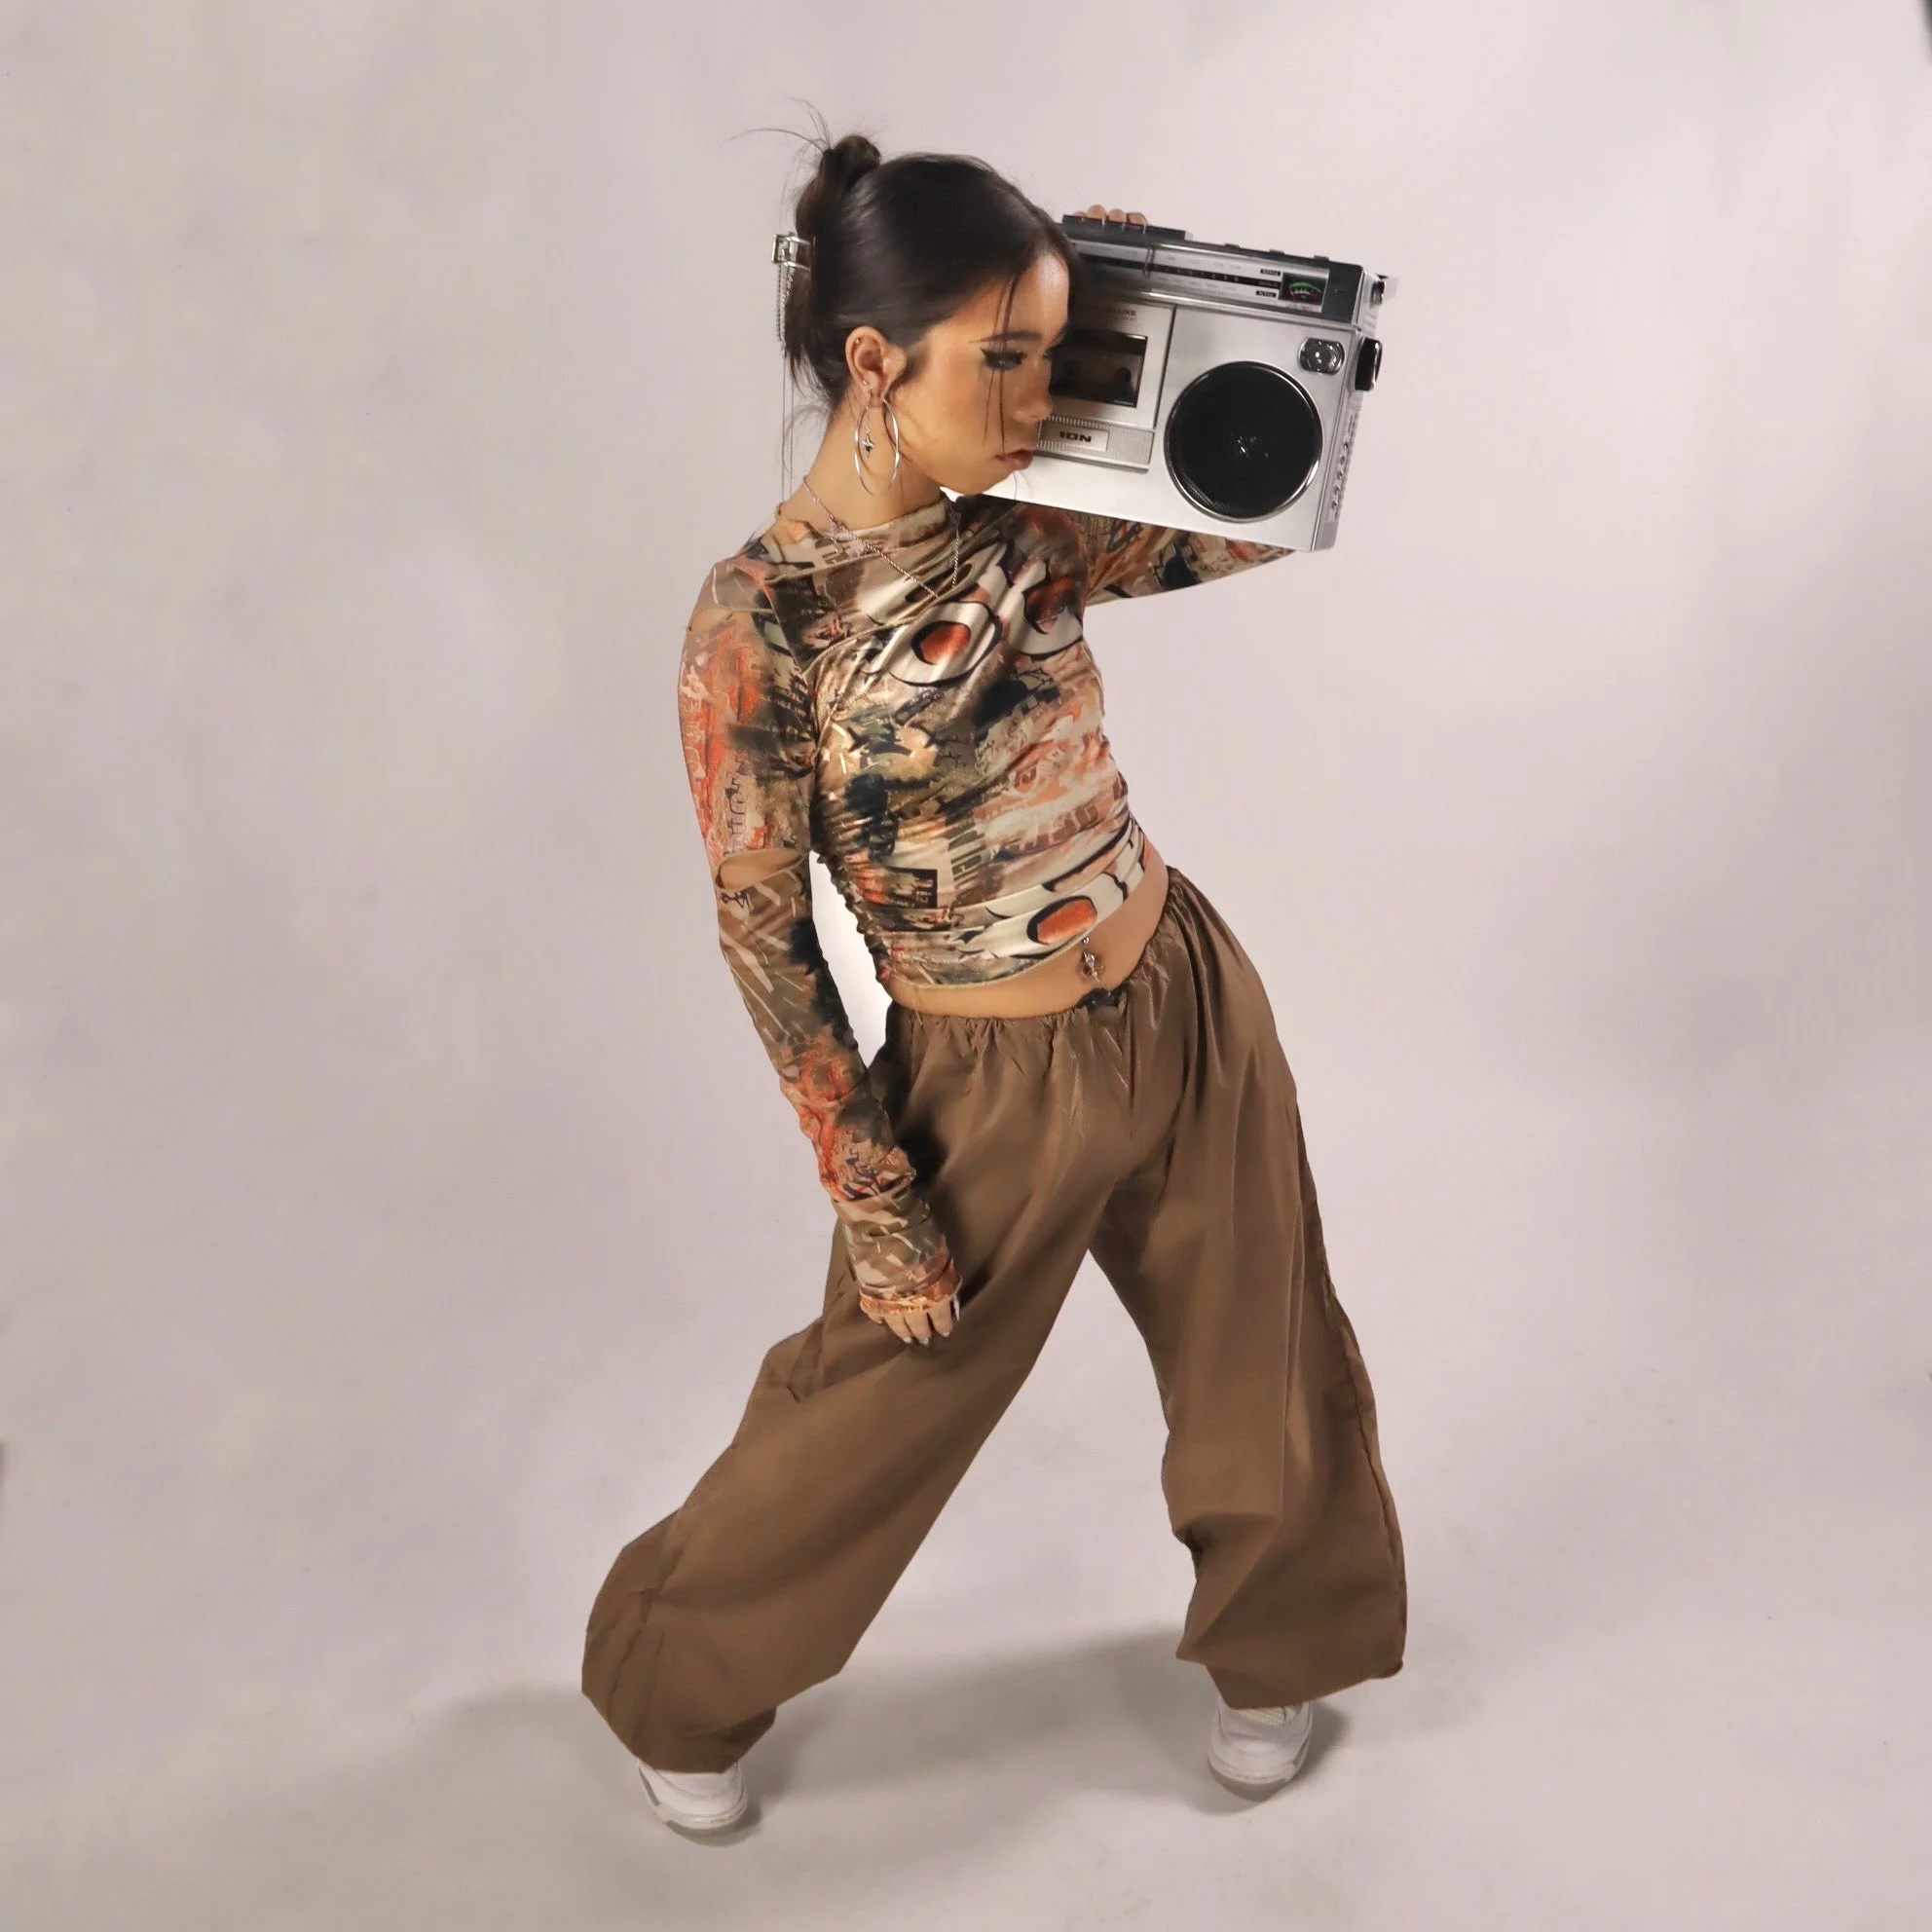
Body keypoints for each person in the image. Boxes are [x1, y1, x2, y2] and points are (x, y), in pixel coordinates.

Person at [581, 129, 1407, 1839]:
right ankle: (677, 1680)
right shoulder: (759, 627)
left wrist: (1147, 316)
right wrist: (876, 1197)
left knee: (1262, 1346)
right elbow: (762, 933)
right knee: (872, 1410)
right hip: (989, 1076)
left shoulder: (1033, 525)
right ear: (876, 363)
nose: (1035, 400)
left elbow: (1258, 524)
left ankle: (1279, 1649)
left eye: (1053, 358)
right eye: (1005, 361)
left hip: (1183, 993)